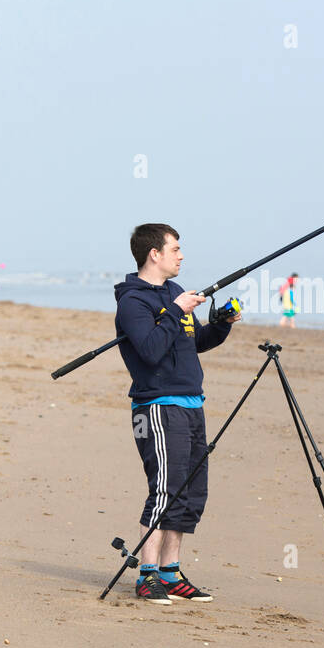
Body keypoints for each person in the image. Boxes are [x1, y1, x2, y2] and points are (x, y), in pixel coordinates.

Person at [114, 223, 240, 605]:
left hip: (191, 402)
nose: (181, 255)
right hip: (157, 405)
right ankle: (147, 575)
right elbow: (151, 349)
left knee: (190, 492)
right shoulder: (133, 302)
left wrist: (220, 326)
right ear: (155, 253)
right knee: (164, 489)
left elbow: (192, 341)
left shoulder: (172, 293)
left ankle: (170, 573)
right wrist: (175, 310)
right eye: (175, 249)